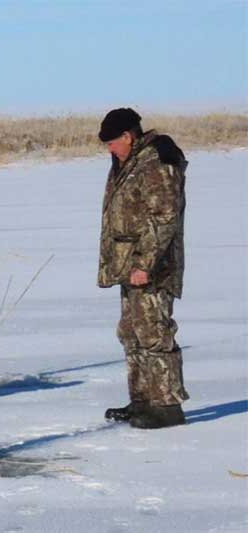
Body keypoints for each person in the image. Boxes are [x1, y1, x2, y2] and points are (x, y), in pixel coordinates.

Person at [97, 108, 189, 429]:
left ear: (128, 136)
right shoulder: (128, 163)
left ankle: (166, 405)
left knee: (154, 331)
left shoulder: (156, 162)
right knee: (131, 331)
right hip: (130, 264)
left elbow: (164, 217)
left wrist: (145, 264)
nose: (109, 149)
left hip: (153, 267)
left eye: (112, 142)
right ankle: (142, 400)